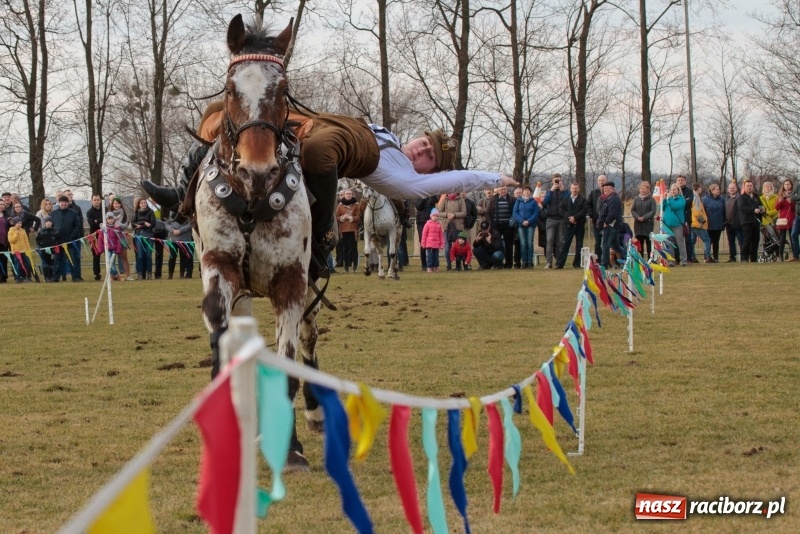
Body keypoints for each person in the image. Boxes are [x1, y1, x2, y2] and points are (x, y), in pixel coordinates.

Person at [140, 103, 518, 278]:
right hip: (318, 121)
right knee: (229, 117)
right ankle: (179, 196)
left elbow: (457, 180)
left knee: (321, 156)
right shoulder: (390, 135)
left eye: (430, 157)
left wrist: (493, 178)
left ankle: (320, 241)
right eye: (424, 143)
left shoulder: (408, 181)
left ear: (431, 171)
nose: (421, 150)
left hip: (329, 145)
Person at [50, 195, 83, 281]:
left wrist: (72, 236)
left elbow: (78, 226)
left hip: (70, 241)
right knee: (57, 260)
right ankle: (56, 277)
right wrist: (54, 236)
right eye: (62, 202)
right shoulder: (53, 214)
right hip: (58, 242)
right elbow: (51, 226)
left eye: (65, 202)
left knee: (73, 259)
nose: (63, 204)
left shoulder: (74, 213)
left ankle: (76, 277)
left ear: (68, 203)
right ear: (59, 203)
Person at [556, 182, 588, 269]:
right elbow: (561, 209)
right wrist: (569, 218)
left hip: (579, 225)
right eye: (573, 188)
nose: (574, 190)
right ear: (570, 189)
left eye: (576, 188)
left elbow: (584, 211)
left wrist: (575, 218)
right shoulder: (565, 199)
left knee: (579, 245)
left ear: (579, 189)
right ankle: (560, 264)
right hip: (568, 225)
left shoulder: (583, 200)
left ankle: (576, 264)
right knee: (565, 244)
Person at [596, 181, 625, 268]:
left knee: (605, 245)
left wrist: (606, 222)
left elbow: (613, 213)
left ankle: (604, 265)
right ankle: (629, 257)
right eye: (604, 189)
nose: (605, 190)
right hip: (611, 226)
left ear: (612, 189)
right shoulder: (608, 198)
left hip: (611, 226)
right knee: (615, 245)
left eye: (607, 189)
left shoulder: (614, 199)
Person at [486, 186, 516, 268]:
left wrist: (512, 221)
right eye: (502, 189)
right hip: (496, 225)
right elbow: (488, 213)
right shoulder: (493, 199)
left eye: (505, 189)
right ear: (498, 190)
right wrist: (490, 224)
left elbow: (515, 212)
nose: (503, 191)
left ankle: (509, 264)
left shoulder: (512, 199)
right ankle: (497, 263)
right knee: (496, 244)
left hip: (508, 225)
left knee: (509, 245)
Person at [542, 174, 568, 269]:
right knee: (549, 241)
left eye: (559, 180)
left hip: (561, 219)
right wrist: (551, 191)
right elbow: (544, 203)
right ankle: (549, 262)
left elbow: (568, 201)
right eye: (556, 181)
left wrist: (563, 191)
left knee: (560, 242)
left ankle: (559, 262)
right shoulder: (550, 191)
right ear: (552, 181)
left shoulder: (564, 191)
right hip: (551, 219)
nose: (557, 182)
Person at [511, 185, 539, 269]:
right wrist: (522, 221)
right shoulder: (518, 201)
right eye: (525, 190)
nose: (526, 192)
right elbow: (515, 213)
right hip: (521, 225)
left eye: (528, 190)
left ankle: (530, 262)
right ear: (522, 192)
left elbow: (536, 213)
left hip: (531, 225)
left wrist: (528, 221)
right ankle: (524, 262)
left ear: (530, 192)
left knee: (529, 243)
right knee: (522, 243)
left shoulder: (533, 201)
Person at [436, 192, 466, 271]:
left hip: (458, 226)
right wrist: (446, 214)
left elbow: (464, 212)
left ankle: (458, 265)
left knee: (459, 246)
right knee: (447, 246)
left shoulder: (461, 200)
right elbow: (439, 212)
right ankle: (448, 265)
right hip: (447, 226)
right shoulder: (445, 199)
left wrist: (454, 215)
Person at [737, 179, 765, 263]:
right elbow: (742, 207)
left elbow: (760, 206)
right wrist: (753, 210)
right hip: (746, 221)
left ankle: (754, 258)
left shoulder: (756, 197)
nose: (749, 187)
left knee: (756, 240)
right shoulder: (741, 197)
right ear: (744, 187)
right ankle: (744, 257)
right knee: (747, 239)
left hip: (756, 221)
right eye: (747, 186)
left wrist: (762, 210)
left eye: (750, 185)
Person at [335, 188, 360, 273]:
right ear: (344, 195)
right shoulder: (340, 205)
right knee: (345, 249)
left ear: (352, 195)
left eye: (350, 193)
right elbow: (336, 217)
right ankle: (346, 268)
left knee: (354, 249)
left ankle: (355, 267)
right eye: (347, 194)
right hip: (343, 230)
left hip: (353, 230)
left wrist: (351, 218)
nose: (348, 195)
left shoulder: (356, 205)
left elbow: (359, 217)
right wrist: (342, 218)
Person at [108, 197, 134, 280]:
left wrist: (117, 225)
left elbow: (125, 225)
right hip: (111, 238)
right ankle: (113, 275)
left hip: (121, 237)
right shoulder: (109, 213)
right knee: (111, 258)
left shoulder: (124, 213)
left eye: (118, 203)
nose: (117, 205)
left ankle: (128, 275)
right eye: (115, 203)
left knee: (124, 257)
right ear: (113, 204)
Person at [663, 183, 688, 266]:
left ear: (678, 190)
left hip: (677, 224)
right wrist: (663, 199)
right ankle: (671, 261)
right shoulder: (668, 199)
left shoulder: (681, 199)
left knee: (680, 243)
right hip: (667, 224)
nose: (672, 191)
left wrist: (670, 198)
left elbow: (675, 207)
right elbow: (662, 208)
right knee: (669, 243)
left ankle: (684, 260)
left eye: (674, 189)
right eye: (671, 189)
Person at [131, 197, 156, 279]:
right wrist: (144, 223)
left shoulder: (151, 212)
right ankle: (140, 273)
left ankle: (149, 273)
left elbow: (152, 224)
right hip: (138, 236)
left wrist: (140, 225)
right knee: (140, 256)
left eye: (144, 202)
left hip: (149, 236)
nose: (143, 204)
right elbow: (133, 223)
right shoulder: (136, 212)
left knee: (148, 255)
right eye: (141, 203)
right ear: (139, 204)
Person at [630, 182, 656, 259]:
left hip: (647, 225)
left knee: (648, 243)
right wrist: (637, 217)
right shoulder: (636, 199)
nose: (642, 190)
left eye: (644, 189)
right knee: (639, 243)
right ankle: (641, 259)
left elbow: (653, 211)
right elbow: (633, 210)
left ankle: (650, 258)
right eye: (641, 189)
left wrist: (644, 217)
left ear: (648, 189)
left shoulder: (651, 200)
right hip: (638, 225)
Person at [64, 189, 85, 280]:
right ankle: (65, 274)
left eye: (71, 194)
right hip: (65, 238)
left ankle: (77, 275)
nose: (70, 196)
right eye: (68, 194)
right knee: (66, 257)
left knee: (76, 256)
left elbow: (80, 222)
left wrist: (79, 234)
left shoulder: (77, 208)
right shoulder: (62, 209)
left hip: (76, 237)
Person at [702, 183, 726, 263]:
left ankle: (716, 257)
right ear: (712, 191)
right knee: (708, 242)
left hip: (718, 224)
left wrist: (723, 221)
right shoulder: (705, 199)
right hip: (709, 224)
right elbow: (703, 211)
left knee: (716, 242)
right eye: (717, 189)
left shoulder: (721, 199)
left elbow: (724, 211)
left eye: (719, 189)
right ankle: (707, 256)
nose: (718, 191)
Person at [414, 195, 438, 271]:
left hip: (430, 221)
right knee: (423, 242)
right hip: (421, 222)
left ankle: (433, 263)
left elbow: (435, 200)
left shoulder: (432, 194)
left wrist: (431, 193)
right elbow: (418, 206)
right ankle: (424, 264)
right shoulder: (418, 195)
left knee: (432, 242)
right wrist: (423, 197)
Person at [675, 175, 696, 263]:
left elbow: (689, 202)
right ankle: (676, 258)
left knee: (688, 239)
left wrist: (680, 202)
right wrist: (683, 201)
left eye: (682, 180)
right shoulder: (674, 191)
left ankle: (689, 258)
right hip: (676, 219)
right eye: (678, 180)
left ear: (685, 181)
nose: (680, 181)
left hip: (686, 219)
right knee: (676, 239)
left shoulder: (689, 191)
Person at [99, 214, 126, 281]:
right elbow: (100, 239)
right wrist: (100, 248)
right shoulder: (103, 229)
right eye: (108, 219)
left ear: (114, 219)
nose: (110, 220)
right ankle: (117, 275)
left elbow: (119, 239)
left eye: (111, 219)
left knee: (112, 262)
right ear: (106, 220)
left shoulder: (116, 228)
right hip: (107, 248)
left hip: (113, 248)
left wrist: (118, 249)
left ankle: (112, 276)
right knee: (109, 262)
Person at [775, 179, 796, 261]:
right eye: (785, 184)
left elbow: (795, 208)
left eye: (788, 184)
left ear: (791, 185)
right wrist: (780, 202)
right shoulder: (780, 195)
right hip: (783, 219)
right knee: (782, 238)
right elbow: (776, 208)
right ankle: (780, 256)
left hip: (792, 218)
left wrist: (791, 202)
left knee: (792, 237)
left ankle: (795, 255)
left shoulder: (795, 194)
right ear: (783, 186)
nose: (787, 186)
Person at [690, 183, 712, 262]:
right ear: (699, 188)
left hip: (692, 222)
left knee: (692, 241)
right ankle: (707, 257)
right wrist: (703, 219)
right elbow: (697, 211)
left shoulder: (691, 196)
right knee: (706, 239)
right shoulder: (696, 197)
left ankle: (692, 257)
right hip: (697, 223)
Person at [85, 195, 105, 281]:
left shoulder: (105, 210)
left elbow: (107, 220)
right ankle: (97, 273)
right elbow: (92, 224)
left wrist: (97, 220)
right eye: (95, 200)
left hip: (105, 234)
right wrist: (101, 221)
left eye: (98, 200)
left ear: (100, 200)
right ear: (92, 201)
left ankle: (112, 273)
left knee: (109, 253)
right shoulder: (89, 212)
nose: (96, 201)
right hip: (95, 236)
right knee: (96, 255)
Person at [36, 216, 61, 282]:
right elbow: (37, 239)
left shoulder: (55, 231)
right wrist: (41, 244)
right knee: (45, 263)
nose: (48, 223)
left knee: (51, 264)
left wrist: (56, 244)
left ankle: (51, 277)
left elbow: (59, 239)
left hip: (52, 250)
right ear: (45, 223)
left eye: (50, 222)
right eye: (47, 222)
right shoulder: (41, 231)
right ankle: (46, 277)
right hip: (44, 250)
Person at [8, 217, 33, 282]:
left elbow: (26, 241)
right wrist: (16, 234)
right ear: (14, 223)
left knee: (27, 264)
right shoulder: (11, 230)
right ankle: (18, 278)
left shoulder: (23, 231)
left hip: (24, 251)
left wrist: (28, 249)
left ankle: (28, 277)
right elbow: (11, 241)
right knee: (18, 265)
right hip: (16, 252)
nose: (19, 224)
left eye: (20, 223)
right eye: (18, 223)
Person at [588, 175, 607, 259]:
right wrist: (591, 214)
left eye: (603, 180)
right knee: (597, 242)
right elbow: (588, 204)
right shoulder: (593, 193)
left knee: (606, 242)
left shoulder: (610, 192)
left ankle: (606, 259)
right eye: (599, 180)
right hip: (596, 221)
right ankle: (598, 259)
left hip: (607, 222)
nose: (601, 182)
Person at [724, 181, 743, 262]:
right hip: (728, 223)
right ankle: (732, 257)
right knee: (731, 241)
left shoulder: (740, 198)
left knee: (741, 240)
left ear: (736, 189)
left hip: (737, 223)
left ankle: (743, 256)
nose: (731, 189)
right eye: (730, 188)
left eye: (733, 188)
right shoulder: (726, 198)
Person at [421, 208, 445, 272]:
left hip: (436, 244)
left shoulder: (439, 225)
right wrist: (423, 243)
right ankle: (429, 267)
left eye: (437, 216)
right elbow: (424, 234)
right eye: (434, 216)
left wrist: (442, 244)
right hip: (429, 244)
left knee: (436, 257)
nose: (435, 217)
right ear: (431, 216)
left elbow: (441, 235)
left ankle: (436, 266)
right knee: (430, 257)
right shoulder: (427, 224)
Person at [790, 181, 800, 262]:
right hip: (798, 215)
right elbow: (792, 197)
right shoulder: (798, 185)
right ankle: (796, 256)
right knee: (793, 235)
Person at [0, 212, 8, 283]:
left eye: (2, 204)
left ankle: (4, 277)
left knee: (4, 260)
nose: (1, 206)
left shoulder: (6, 215)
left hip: (4, 242)